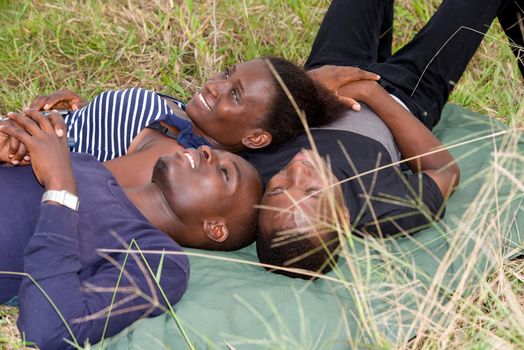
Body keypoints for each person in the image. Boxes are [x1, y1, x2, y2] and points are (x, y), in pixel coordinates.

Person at [251, 0, 523, 278]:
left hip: (329, 75)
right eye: (311, 191)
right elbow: (445, 171)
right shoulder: (384, 208)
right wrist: (371, 93)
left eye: (278, 189)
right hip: (404, 93)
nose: (296, 170)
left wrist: (313, 83)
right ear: (343, 218)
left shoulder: (253, 173)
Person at [0, 110, 262, 348]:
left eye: (226, 173)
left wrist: (60, 188)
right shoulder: (90, 166)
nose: (207, 151)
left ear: (215, 228)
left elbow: (51, 330)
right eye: (215, 152)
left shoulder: (161, 261)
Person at [2, 57, 370, 166]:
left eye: (235, 96)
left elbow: (85, 181)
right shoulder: (180, 115)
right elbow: (95, 134)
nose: (214, 85)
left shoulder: (175, 151)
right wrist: (78, 111)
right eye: (227, 74)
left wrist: (34, 146)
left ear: (255, 137)